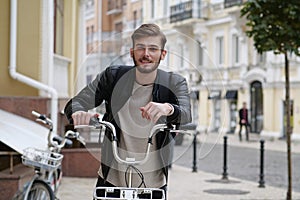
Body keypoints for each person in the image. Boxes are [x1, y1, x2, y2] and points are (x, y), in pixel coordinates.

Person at [64, 23, 192, 198]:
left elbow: (186, 114)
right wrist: (78, 112)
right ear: (132, 52)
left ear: (162, 54)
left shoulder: (174, 82)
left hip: (153, 181)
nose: (146, 54)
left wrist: (167, 108)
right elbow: (75, 103)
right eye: (140, 48)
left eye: (153, 49)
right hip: (111, 177)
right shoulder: (113, 77)